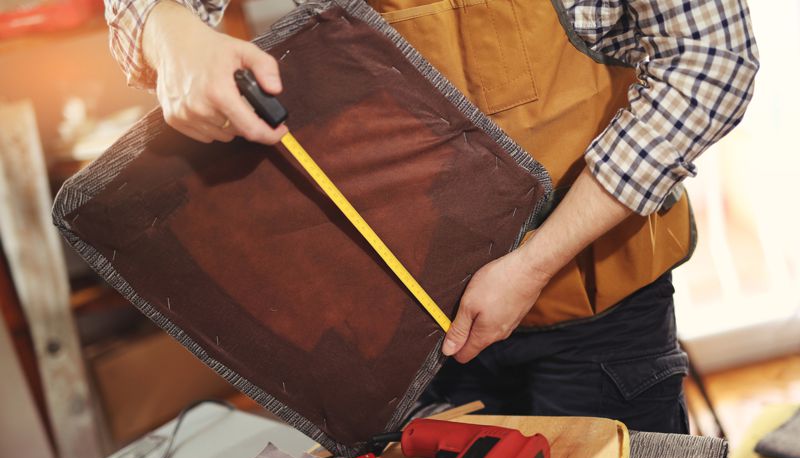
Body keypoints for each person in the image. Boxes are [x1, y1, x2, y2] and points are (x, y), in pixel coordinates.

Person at [104, 0, 758, 433]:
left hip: (598, 321)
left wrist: (535, 261)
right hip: (405, 335)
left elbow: (712, 62)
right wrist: (172, 34)